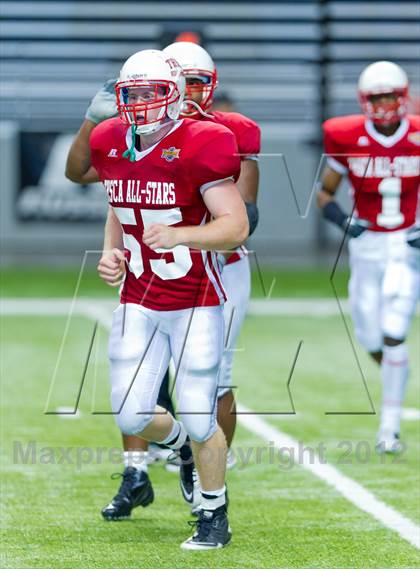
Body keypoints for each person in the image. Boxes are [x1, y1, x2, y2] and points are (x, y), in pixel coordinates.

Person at [66, 49, 248, 550]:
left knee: (196, 412)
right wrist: (111, 251)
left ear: (174, 95)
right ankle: (186, 453)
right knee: (130, 414)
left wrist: (183, 234)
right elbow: (119, 204)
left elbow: (236, 226)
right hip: (138, 300)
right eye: (132, 94)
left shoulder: (203, 142)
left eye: (152, 93)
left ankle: (213, 514)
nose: (141, 104)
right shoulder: (108, 140)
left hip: (195, 300)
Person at [316, 60, 420, 453]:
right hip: (366, 246)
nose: (383, 104)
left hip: (403, 247)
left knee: (395, 332)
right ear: (364, 100)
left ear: (402, 95)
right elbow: (324, 193)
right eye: (376, 97)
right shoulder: (345, 136)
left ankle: (388, 427)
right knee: (370, 336)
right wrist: (344, 222)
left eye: (389, 95)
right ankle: (397, 375)